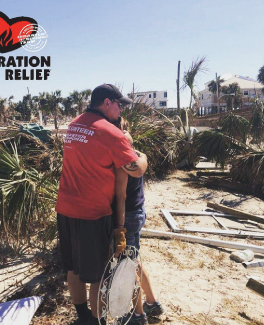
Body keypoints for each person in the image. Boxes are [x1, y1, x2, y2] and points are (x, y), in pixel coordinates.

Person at [55, 84, 148, 325]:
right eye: (119, 105)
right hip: (92, 213)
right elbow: (135, 170)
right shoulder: (110, 132)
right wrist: (143, 157)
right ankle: (97, 321)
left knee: (74, 269)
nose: (121, 111)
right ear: (106, 102)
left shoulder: (75, 124)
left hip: (66, 208)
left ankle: (83, 317)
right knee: (98, 274)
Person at [114, 117, 163, 325]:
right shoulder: (137, 154)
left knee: (127, 267)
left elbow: (121, 196)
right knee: (134, 262)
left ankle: (138, 315)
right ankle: (152, 304)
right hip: (138, 213)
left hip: (129, 216)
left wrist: (120, 227)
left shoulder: (122, 160)